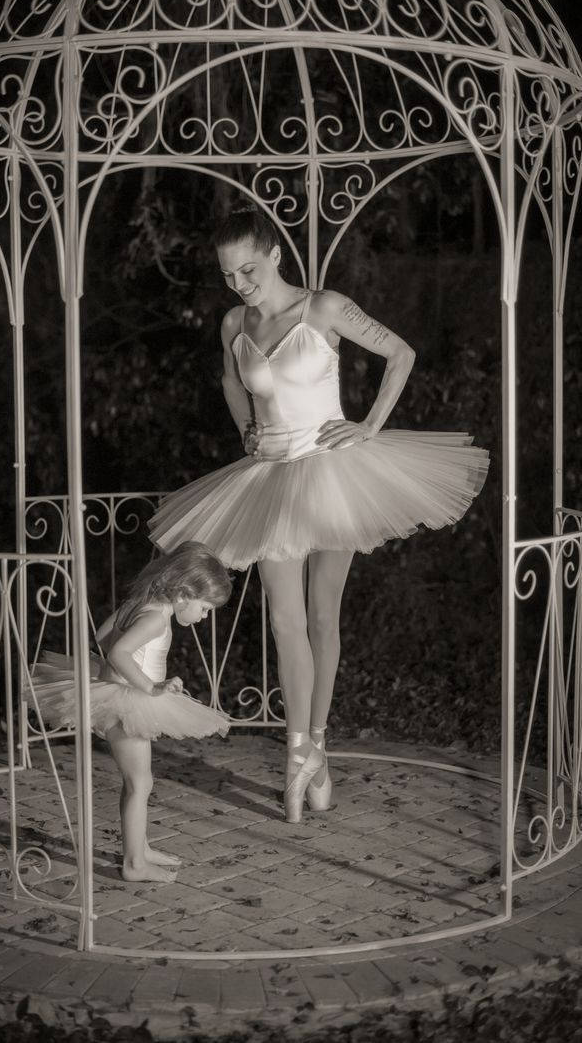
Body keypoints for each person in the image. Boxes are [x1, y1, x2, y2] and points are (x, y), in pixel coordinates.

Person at [148, 205, 489, 825]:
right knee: (284, 620)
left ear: (274, 252)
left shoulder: (323, 307)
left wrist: (370, 427)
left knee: (323, 613)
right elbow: (232, 382)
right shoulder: (233, 322)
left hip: (333, 472)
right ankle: (297, 755)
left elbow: (401, 353)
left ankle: (318, 745)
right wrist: (246, 428)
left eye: (248, 269)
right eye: (229, 276)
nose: (241, 284)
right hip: (270, 478)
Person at [30, 542, 232, 883]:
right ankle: (134, 863)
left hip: (121, 697)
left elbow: (103, 635)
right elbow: (120, 652)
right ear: (184, 593)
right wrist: (149, 686)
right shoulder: (156, 618)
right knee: (140, 783)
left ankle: (140, 847)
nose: (203, 617)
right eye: (205, 608)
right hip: (127, 703)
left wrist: (128, 676)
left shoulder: (142, 604)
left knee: (137, 781)